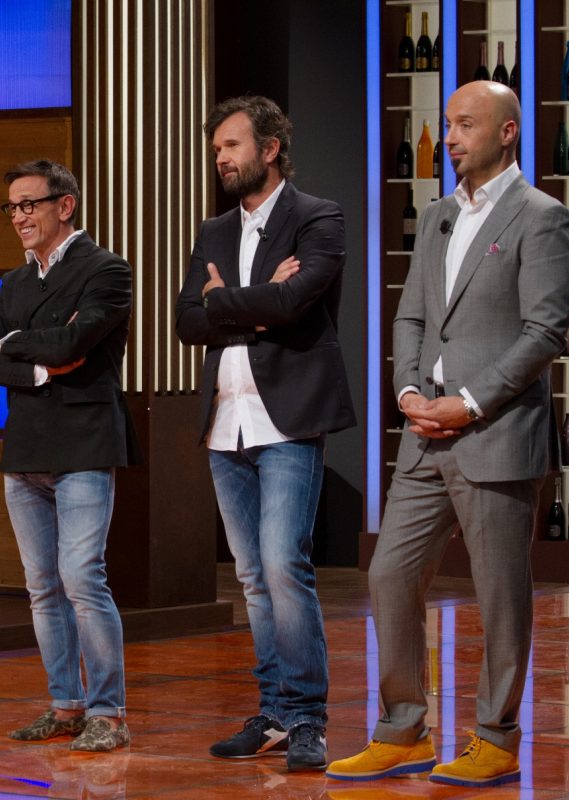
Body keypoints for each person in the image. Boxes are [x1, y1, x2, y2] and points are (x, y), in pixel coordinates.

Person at [327, 81, 569, 787]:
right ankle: (403, 730)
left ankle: (496, 738)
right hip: (423, 434)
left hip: (494, 432)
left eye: (466, 124)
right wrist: (408, 391)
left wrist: (467, 404)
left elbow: (544, 333)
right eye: (447, 124)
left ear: (507, 132)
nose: (450, 137)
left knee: (500, 593)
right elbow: (411, 316)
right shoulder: (438, 214)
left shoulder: (543, 218)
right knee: (389, 573)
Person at [175, 95, 355, 772]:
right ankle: (274, 711)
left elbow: (295, 301)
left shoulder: (318, 217)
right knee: (251, 577)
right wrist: (251, 309)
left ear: (270, 149)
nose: (220, 158)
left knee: (284, 566)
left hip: (289, 418)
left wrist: (224, 302)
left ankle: (307, 716)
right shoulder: (214, 230)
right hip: (226, 422)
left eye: (232, 145)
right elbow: (186, 320)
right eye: (217, 148)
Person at [0, 160, 139, 753]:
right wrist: (37, 366)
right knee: (42, 587)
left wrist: (15, 342)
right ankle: (66, 705)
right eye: (12, 207)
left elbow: (74, 341)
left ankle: (109, 713)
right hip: (26, 448)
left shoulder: (107, 269)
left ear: (64, 205)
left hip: (85, 444)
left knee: (82, 579)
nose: (19, 217)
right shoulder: (17, 281)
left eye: (29, 204)